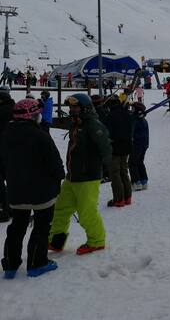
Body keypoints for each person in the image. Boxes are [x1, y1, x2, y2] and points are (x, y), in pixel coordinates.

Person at [0, 99, 64, 279]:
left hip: (16, 191)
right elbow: (54, 162)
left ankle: (10, 264)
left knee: (17, 227)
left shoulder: (5, 135)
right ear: (33, 115)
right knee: (41, 227)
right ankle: (37, 263)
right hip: (42, 192)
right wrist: (59, 176)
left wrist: (10, 178)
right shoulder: (40, 135)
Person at [48, 93, 112, 255]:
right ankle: (56, 241)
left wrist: (104, 170)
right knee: (61, 209)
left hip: (87, 177)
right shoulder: (76, 124)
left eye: (75, 107)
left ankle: (97, 241)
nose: (72, 110)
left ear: (85, 108)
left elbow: (106, 149)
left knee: (86, 212)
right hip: (72, 176)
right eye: (71, 107)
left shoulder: (93, 125)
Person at [104, 97, 133, 207]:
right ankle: (127, 197)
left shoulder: (110, 116)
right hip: (126, 146)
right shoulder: (127, 114)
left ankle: (119, 199)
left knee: (115, 173)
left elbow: (108, 133)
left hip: (115, 147)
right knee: (124, 171)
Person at [0, 89, 15, 223]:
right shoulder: (15, 109)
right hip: (12, 150)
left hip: (2, 149)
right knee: (11, 180)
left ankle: (5, 209)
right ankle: (11, 208)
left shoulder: (3, 111)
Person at [130, 102, 150, 191]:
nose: (132, 110)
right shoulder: (142, 120)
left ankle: (136, 182)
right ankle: (144, 180)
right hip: (144, 144)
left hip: (137, 144)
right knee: (139, 161)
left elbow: (131, 131)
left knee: (132, 162)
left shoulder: (136, 120)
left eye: (133, 109)